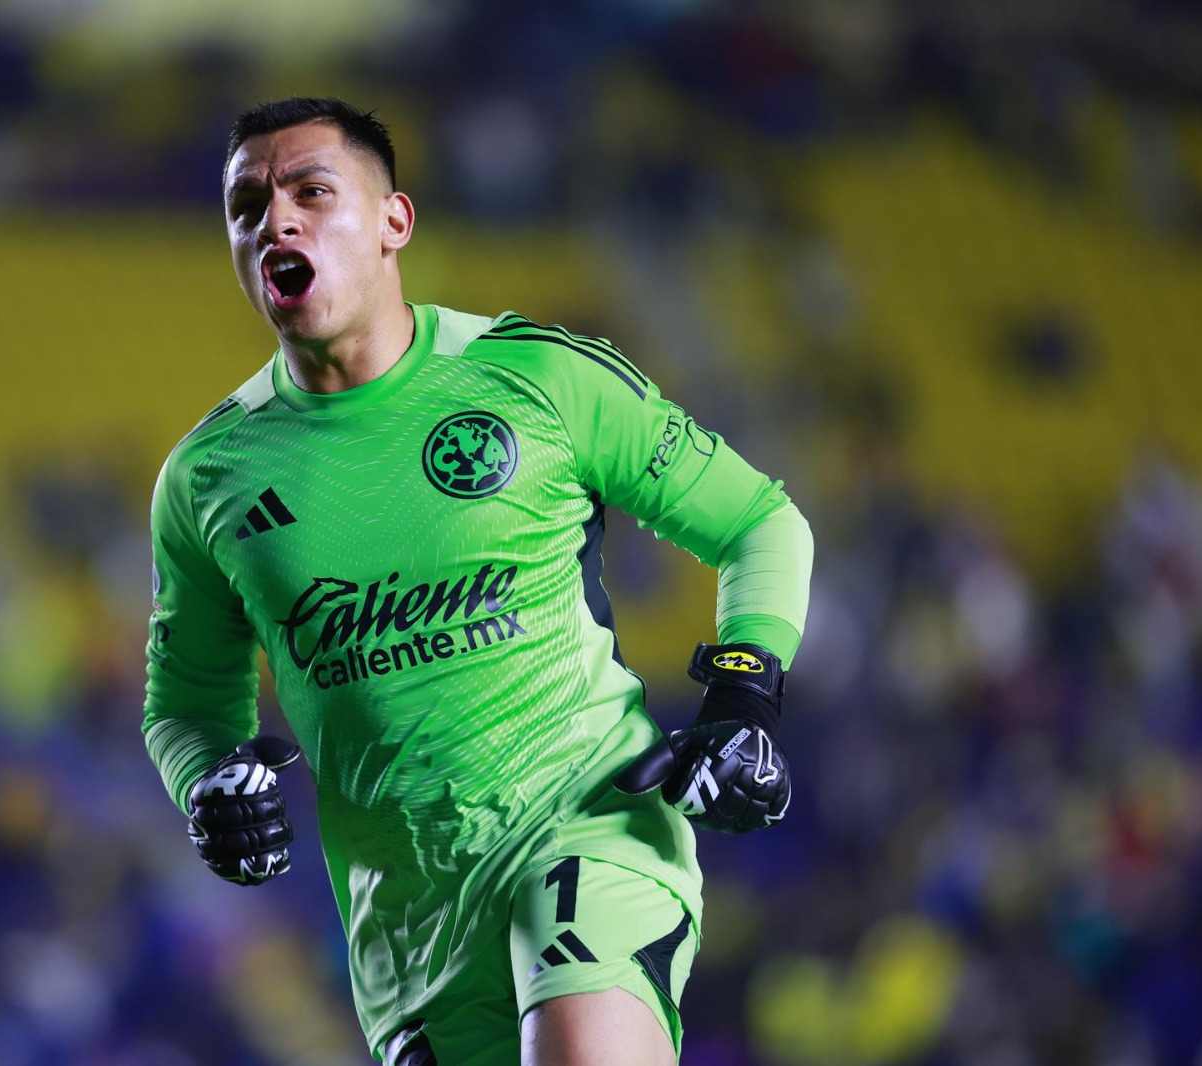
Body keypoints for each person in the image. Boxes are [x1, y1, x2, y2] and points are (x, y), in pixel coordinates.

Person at [143, 97, 813, 1065]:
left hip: (586, 825)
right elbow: (186, 705)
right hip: (408, 930)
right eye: (247, 206)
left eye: (311, 192)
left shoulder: (536, 376)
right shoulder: (208, 477)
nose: (275, 220)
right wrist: (208, 782)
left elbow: (757, 521)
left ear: (393, 222)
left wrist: (743, 698)